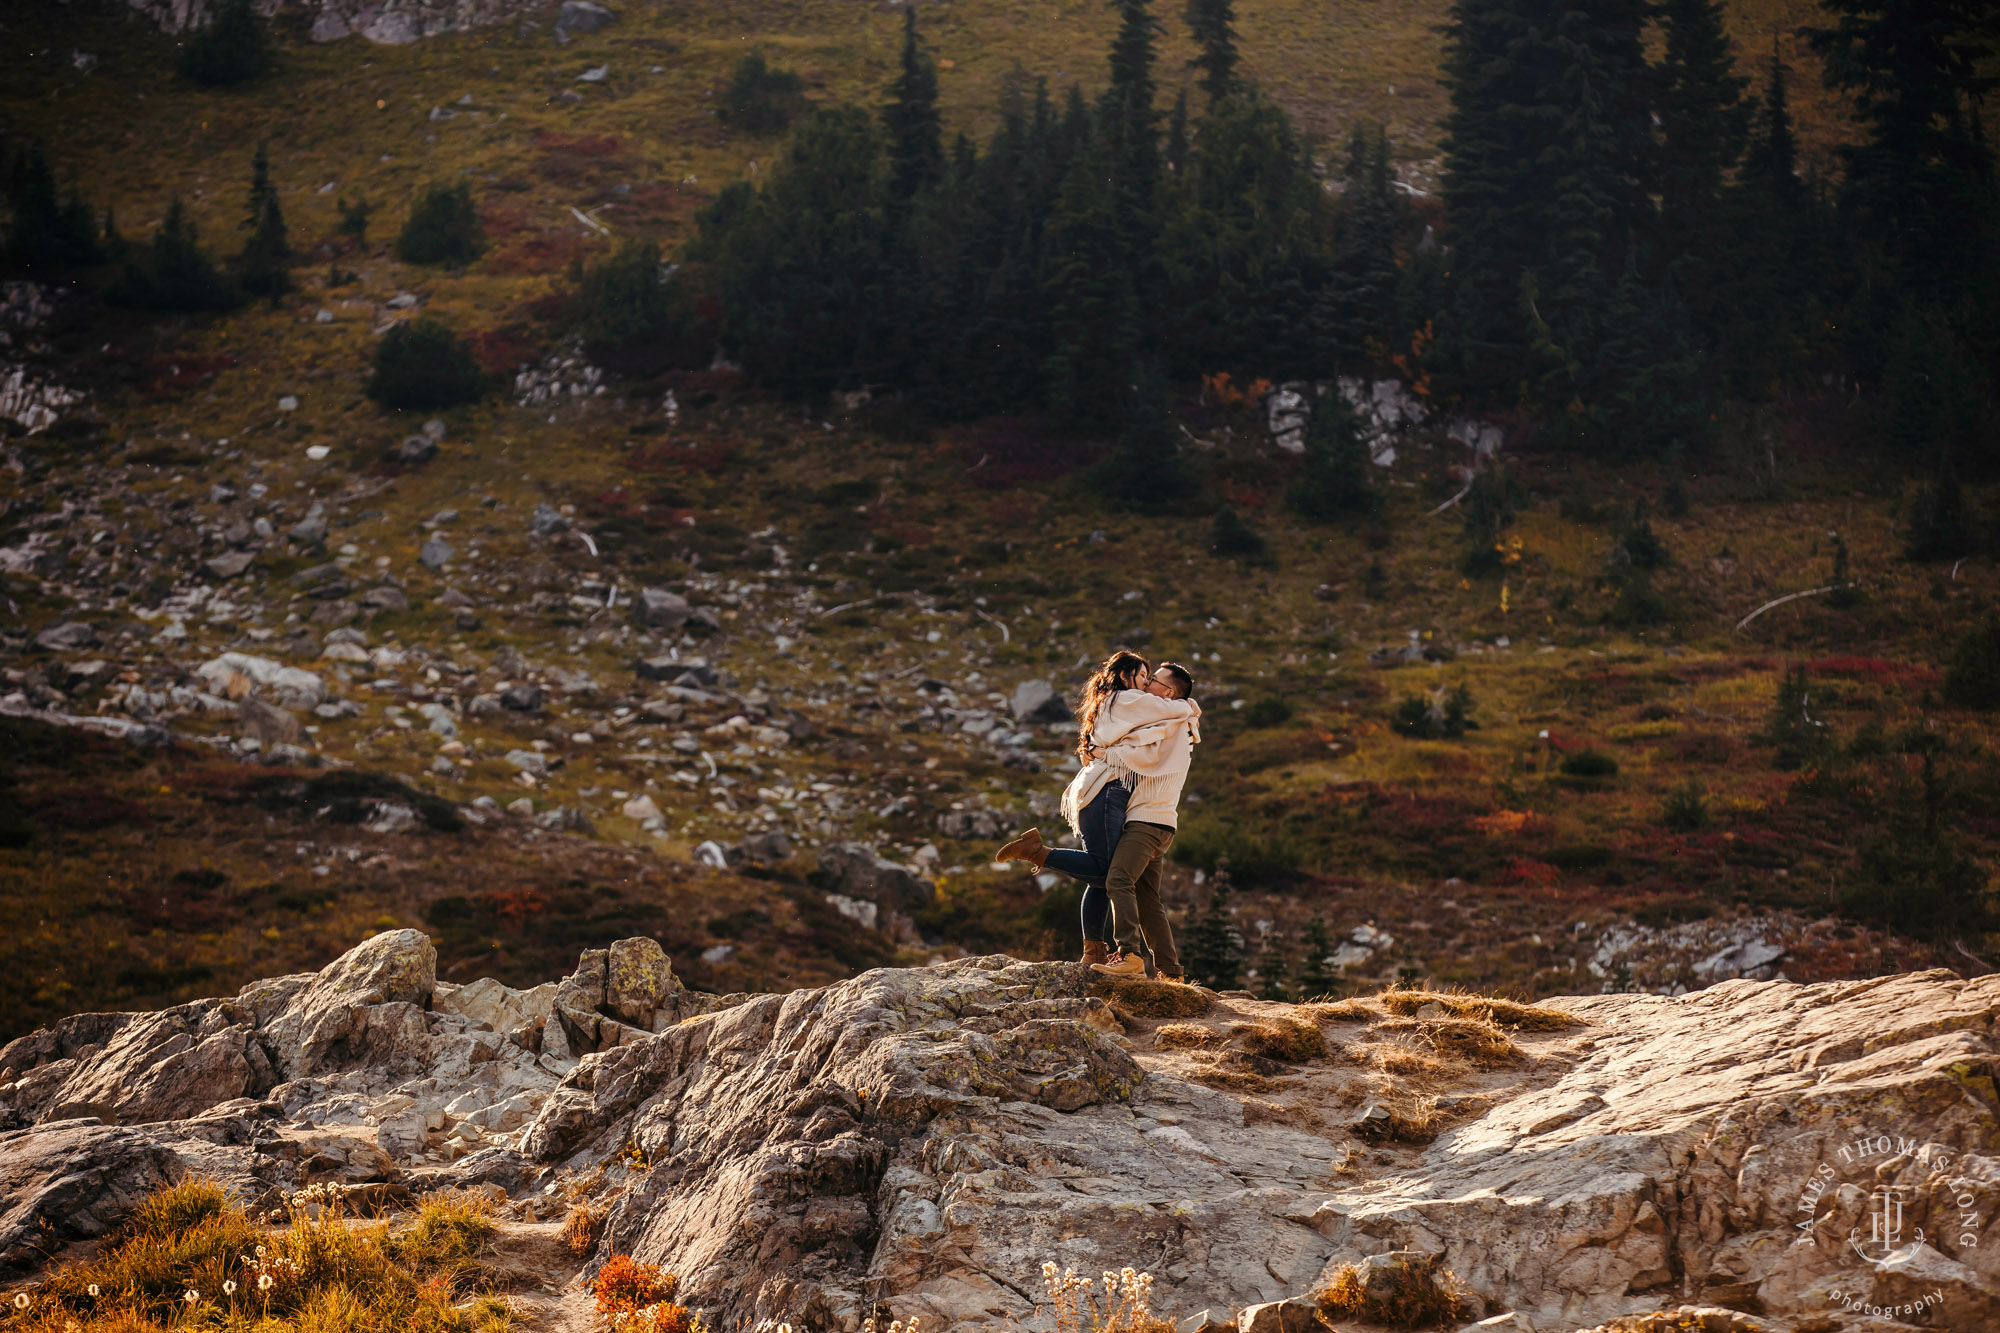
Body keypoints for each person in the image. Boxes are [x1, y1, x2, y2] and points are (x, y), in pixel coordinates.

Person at [998, 653, 1201, 979]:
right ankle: (1167, 970)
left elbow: (1144, 755)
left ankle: (1128, 954)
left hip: (1143, 818)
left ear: (1169, 693)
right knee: (1141, 895)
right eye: (1144, 676)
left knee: (1113, 877)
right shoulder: (1152, 713)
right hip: (1157, 819)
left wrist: (1100, 752)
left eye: (1153, 680)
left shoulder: (1171, 720)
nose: (1147, 683)